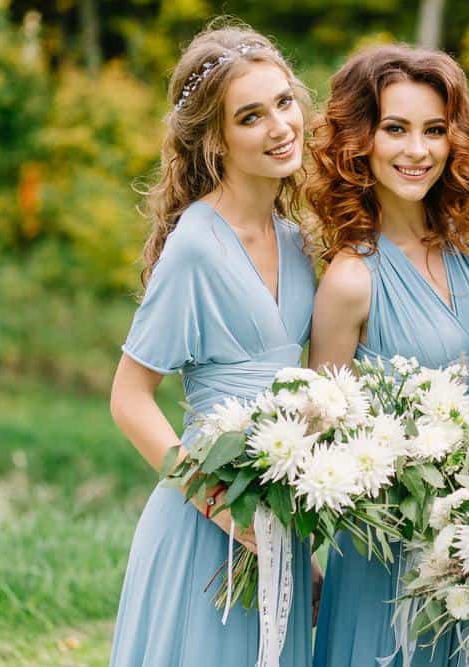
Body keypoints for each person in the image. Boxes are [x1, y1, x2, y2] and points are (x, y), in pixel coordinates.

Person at [108, 23, 315, 666]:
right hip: (209, 519)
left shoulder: (298, 238)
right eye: (250, 116)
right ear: (215, 139)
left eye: (284, 102)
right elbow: (130, 398)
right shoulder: (197, 244)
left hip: (285, 504)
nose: (280, 126)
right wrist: (224, 512)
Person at [306, 44, 469, 666]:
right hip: (388, 553)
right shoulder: (350, 279)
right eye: (395, 129)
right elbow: (324, 438)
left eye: (434, 131)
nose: (417, 150)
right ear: (360, 141)